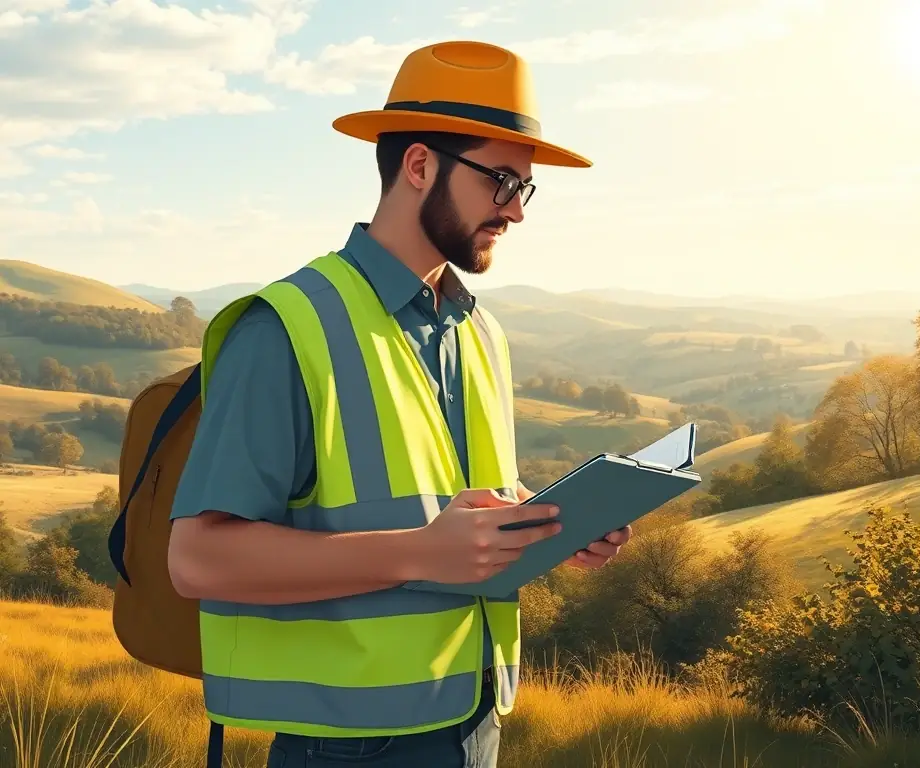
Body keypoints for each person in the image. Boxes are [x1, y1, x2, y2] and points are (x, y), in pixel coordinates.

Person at [166, 40, 633, 768]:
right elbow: (197, 560)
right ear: (419, 166)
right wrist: (423, 552)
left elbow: (439, 503)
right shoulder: (287, 328)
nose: (515, 211)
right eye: (501, 181)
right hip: (347, 745)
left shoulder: (480, 332)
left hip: (474, 723)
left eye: (525, 188)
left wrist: (544, 523)